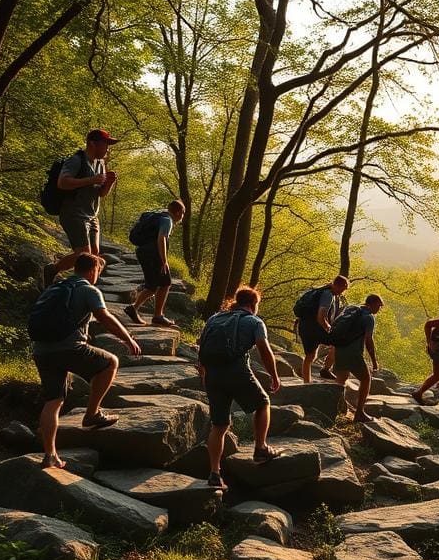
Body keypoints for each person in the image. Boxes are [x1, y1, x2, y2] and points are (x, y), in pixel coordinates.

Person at [31, 253, 141, 469]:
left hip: (42, 350)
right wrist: (128, 339)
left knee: (53, 402)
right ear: (93, 270)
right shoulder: (89, 290)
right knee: (111, 362)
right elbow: (105, 318)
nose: (97, 276)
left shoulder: (55, 288)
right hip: (69, 348)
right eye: (98, 271)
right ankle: (92, 414)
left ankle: (50, 455)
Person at [197, 286, 283, 490]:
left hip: (213, 373)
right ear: (253, 304)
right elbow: (264, 349)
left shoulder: (215, 318)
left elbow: (202, 344)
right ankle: (261, 448)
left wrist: (204, 373)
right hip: (236, 370)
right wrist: (274, 375)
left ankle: (214, 474)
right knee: (262, 404)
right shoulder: (254, 321)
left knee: (218, 426)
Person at [42, 129, 119, 287]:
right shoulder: (76, 160)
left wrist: (109, 183)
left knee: (94, 255)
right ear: (92, 143)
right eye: (106, 144)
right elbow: (62, 182)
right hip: (73, 213)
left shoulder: (100, 163)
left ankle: (54, 270)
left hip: (92, 215)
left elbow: (101, 193)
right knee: (84, 255)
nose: (108, 149)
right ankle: (80, 289)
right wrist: (92, 179)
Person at [124, 199, 186, 328]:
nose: (182, 217)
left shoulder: (158, 215)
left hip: (143, 252)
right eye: (183, 213)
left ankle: (144, 311)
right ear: (179, 212)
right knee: (162, 283)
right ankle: (155, 315)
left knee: (158, 284)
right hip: (153, 254)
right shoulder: (167, 220)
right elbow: (161, 238)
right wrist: (164, 261)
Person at [331, 294, 384, 423]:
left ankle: (332, 411)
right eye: (379, 305)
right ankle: (359, 413)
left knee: (340, 381)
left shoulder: (351, 309)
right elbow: (368, 340)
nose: (380, 308)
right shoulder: (369, 317)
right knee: (366, 379)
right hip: (354, 354)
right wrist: (374, 361)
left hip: (340, 350)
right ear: (372, 303)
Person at [295, 275, 349, 382]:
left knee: (310, 356)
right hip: (316, 328)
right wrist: (329, 328)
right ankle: (328, 371)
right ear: (339, 285)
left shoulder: (320, 291)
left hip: (304, 327)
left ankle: (306, 383)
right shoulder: (327, 295)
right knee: (340, 343)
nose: (343, 292)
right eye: (343, 289)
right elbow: (321, 317)